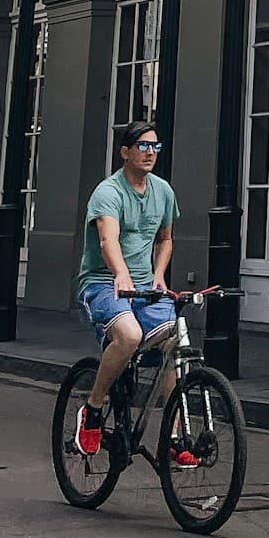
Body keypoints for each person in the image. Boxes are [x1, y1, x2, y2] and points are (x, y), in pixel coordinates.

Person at [74, 120, 184, 459]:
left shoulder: (163, 191)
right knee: (130, 335)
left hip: (144, 287)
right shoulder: (108, 192)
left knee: (174, 341)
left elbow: (165, 239)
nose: (151, 153)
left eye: (155, 147)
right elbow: (108, 240)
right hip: (103, 283)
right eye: (143, 147)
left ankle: (175, 436)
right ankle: (92, 410)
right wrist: (120, 274)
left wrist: (160, 276)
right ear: (125, 152)